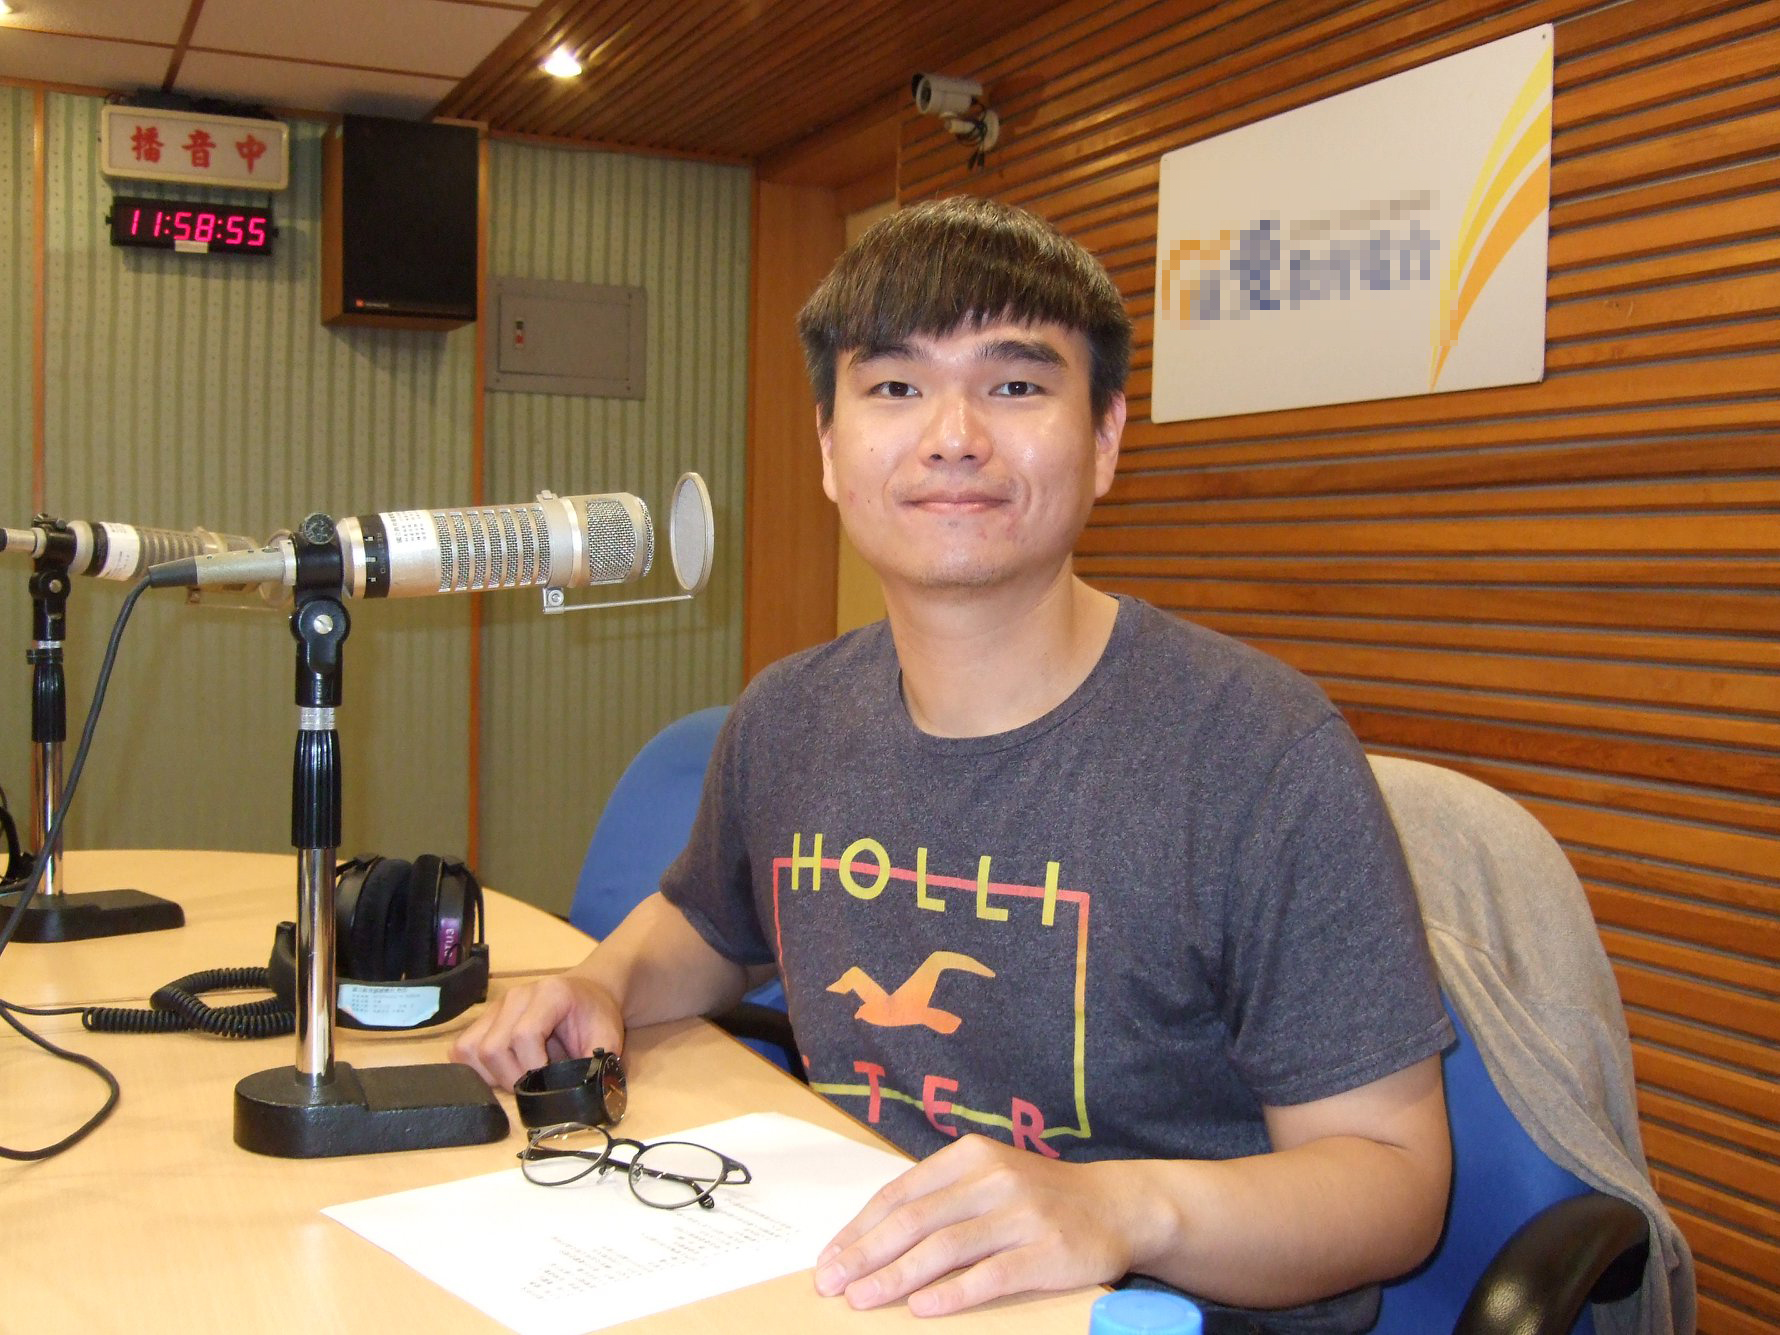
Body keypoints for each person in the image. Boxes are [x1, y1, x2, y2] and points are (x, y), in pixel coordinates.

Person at [453, 197, 1454, 1333]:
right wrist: (605, 983)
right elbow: (709, 927)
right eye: (894, 387)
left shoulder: (1257, 752)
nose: (953, 435)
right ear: (828, 448)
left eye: (1015, 385)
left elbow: (1392, 1183)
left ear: (1106, 438)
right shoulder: (788, 718)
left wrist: (1119, 1209)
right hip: (861, 1289)